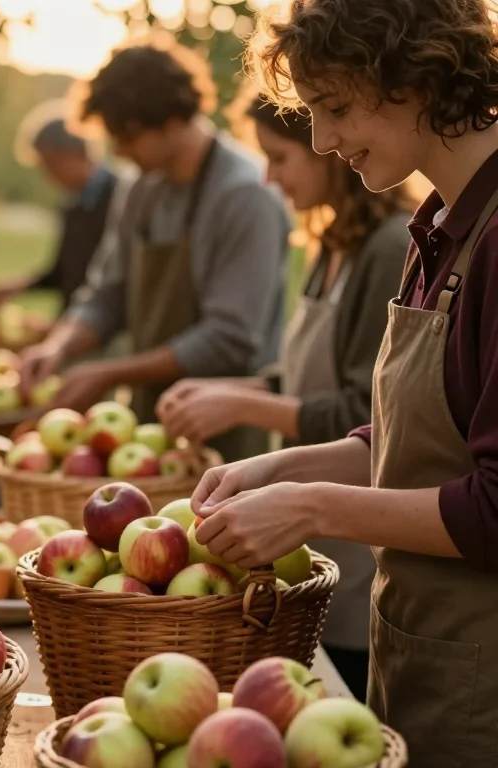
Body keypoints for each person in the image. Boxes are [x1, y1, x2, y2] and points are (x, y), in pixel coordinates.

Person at [191, 0, 498, 762]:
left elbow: (495, 508)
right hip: (424, 660)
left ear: (411, 76)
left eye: (332, 108)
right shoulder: (438, 226)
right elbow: (422, 443)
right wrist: (283, 465)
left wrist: (311, 505)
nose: (323, 142)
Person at [157, 90, 414, 699]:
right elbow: (308, 374)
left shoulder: (387, 249)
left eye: (279, 158)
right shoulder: (335, 245)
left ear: (326, 151)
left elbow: (368, 410)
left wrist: (245, 406)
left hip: (356, 549)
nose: (269, 178)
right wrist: (236, 387)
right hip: (309, 540)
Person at [19, 39, 292, 463]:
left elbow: (229, 339)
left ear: (172, 120)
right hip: (145, 431)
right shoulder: (140, 187)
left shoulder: (245, 195)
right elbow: (107, 293)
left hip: (226, 435)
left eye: (128, 136)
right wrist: (61, 346)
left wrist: (110, 371)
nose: (121, 152)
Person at [0, 104, 135, 314]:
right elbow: (65, 271)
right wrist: (23, 285)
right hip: (75, 323)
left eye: (51, 164)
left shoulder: (124, 196)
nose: (48, 176)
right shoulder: (72, 203)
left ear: (75, 153)